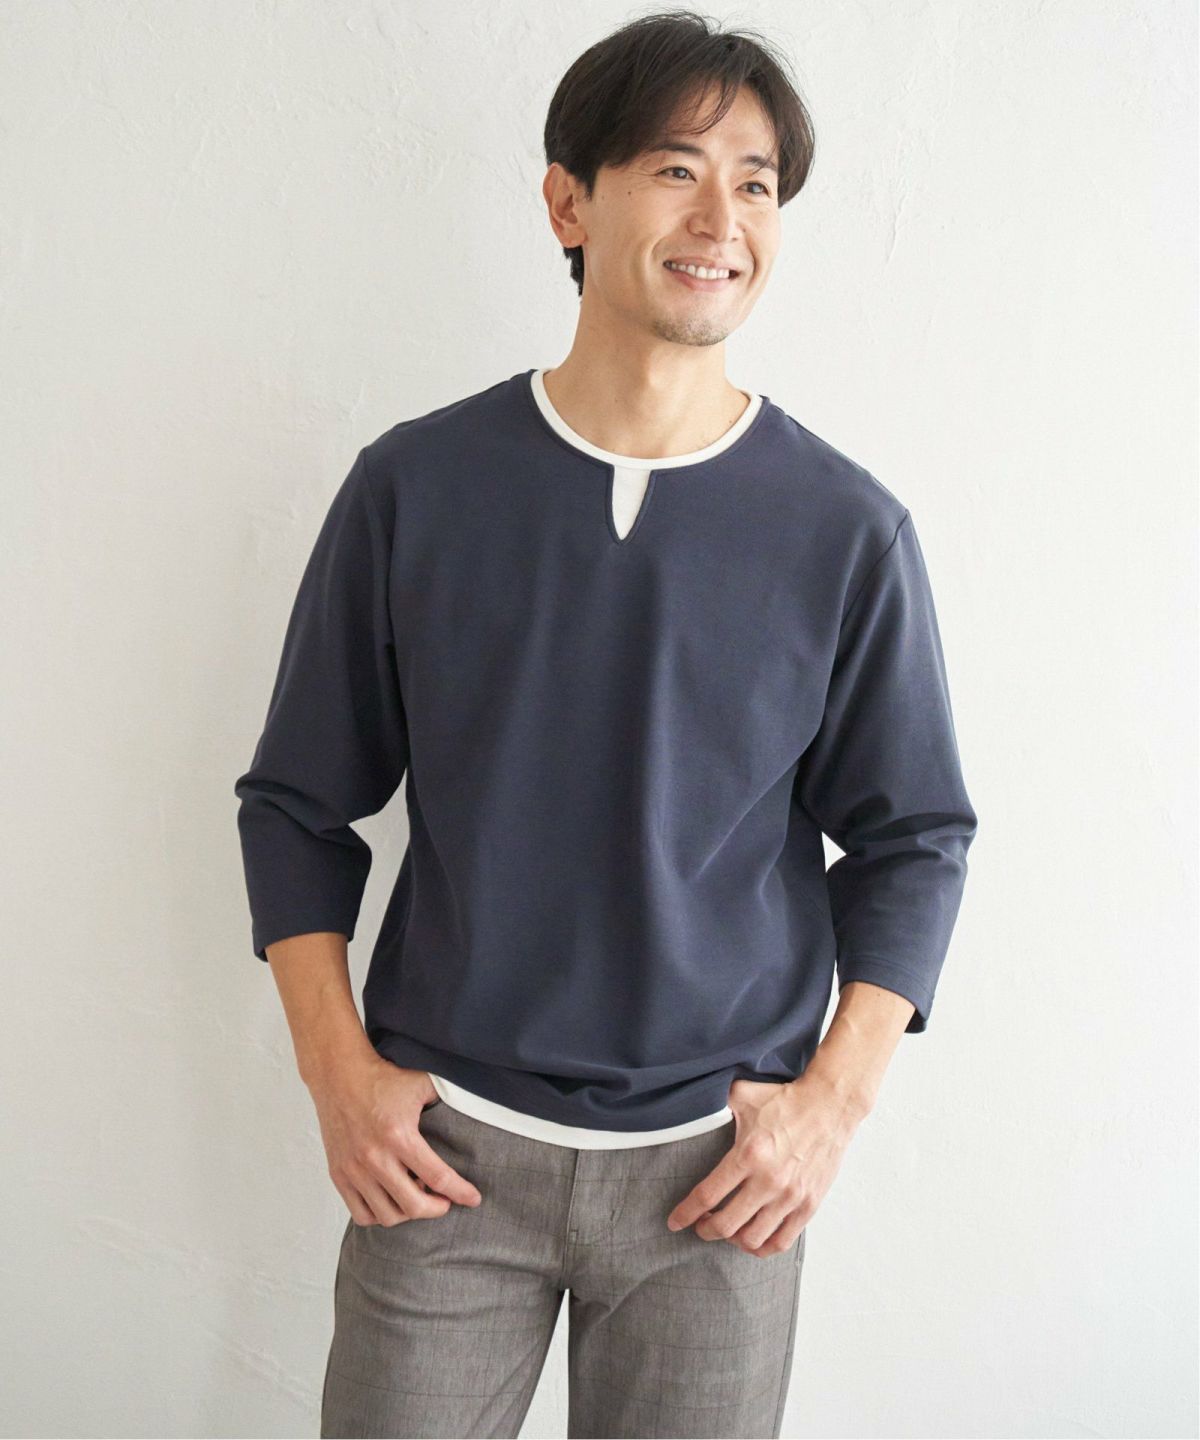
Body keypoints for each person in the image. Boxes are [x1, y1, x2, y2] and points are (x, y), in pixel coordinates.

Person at [233, 11, 978, 1438]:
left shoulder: (844, 529)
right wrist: (338, 1078)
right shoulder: (416, 488)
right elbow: (297, 805)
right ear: (569, 203)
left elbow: (916, 838)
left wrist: (829, 1108)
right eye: (676, 169)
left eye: (757, 183)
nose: (722, 220)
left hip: (720, 1184)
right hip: (444, 1162)